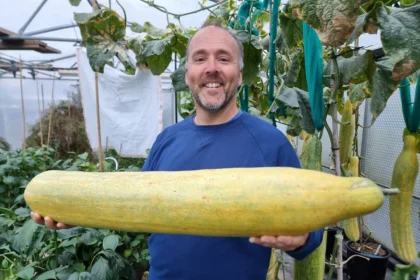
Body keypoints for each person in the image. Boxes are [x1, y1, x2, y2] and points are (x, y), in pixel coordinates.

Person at [32, 18, 323, 280]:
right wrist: (76, 214)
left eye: (224, 58)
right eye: (200, 59)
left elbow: (312, 230)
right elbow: (132, 206)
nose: (212, 68)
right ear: (187, 73)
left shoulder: (271, 143)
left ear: (239, 72)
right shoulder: (166, 139)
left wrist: (302, 239)